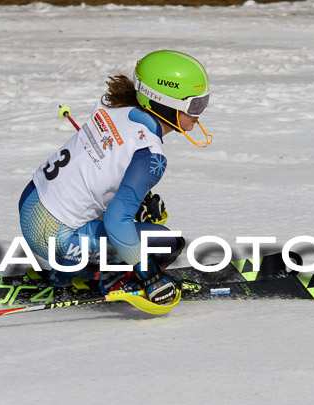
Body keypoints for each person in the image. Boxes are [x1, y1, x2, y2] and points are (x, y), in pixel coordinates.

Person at [18, 50, 211, 306]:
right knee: (167, 242)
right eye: (195, 104)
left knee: (143, 218)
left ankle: (68, 271)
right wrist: (149, 276)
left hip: (30, 203)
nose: (200, 112)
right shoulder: (151, 156)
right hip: (55, 238)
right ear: (167, 102)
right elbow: (116, 222)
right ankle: (115, 279)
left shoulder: (116, 107)